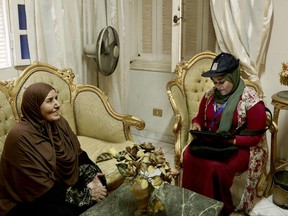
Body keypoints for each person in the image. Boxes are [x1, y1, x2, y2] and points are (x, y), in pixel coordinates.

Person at [0, 83, 108, 216]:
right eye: (50, 101)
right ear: (34, 106)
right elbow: (38, 186)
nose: (57, 104)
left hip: (57, 182)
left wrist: (93, 179)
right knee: (65, 211)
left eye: (56, 98)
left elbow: (78, 155)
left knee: (100, 181)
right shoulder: (20, 137)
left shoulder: (58, 122)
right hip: (31, 196)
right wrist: (87, 194)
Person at [181, 53, 268, 215]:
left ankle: (220, 208)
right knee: (189, 156)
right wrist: (197, 124)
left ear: (233, 77)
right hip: (216, 143)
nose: (217, 86)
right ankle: (193, 203)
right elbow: (199, 116)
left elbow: (256, 137)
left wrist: (232, 141)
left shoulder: (251, 99)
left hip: (242, 146)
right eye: (214, 82)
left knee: (216, 167)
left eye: (222, 82)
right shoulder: (210, 95)